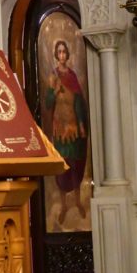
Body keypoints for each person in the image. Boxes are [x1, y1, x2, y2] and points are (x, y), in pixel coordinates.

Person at [45, 40, 88, 224]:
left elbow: (78, 102)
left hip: (73, 127)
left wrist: (81, 124)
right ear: (56, 55)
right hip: (60, 129)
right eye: (59, 52)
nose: (62, 55)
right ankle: (63, 205)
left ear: (67, 54)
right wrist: (54, 91)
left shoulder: (72, 76)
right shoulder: (53, 77)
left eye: (64, 52)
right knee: (63, 166)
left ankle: (77, 201)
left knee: (76, 163)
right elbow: (48, 103)